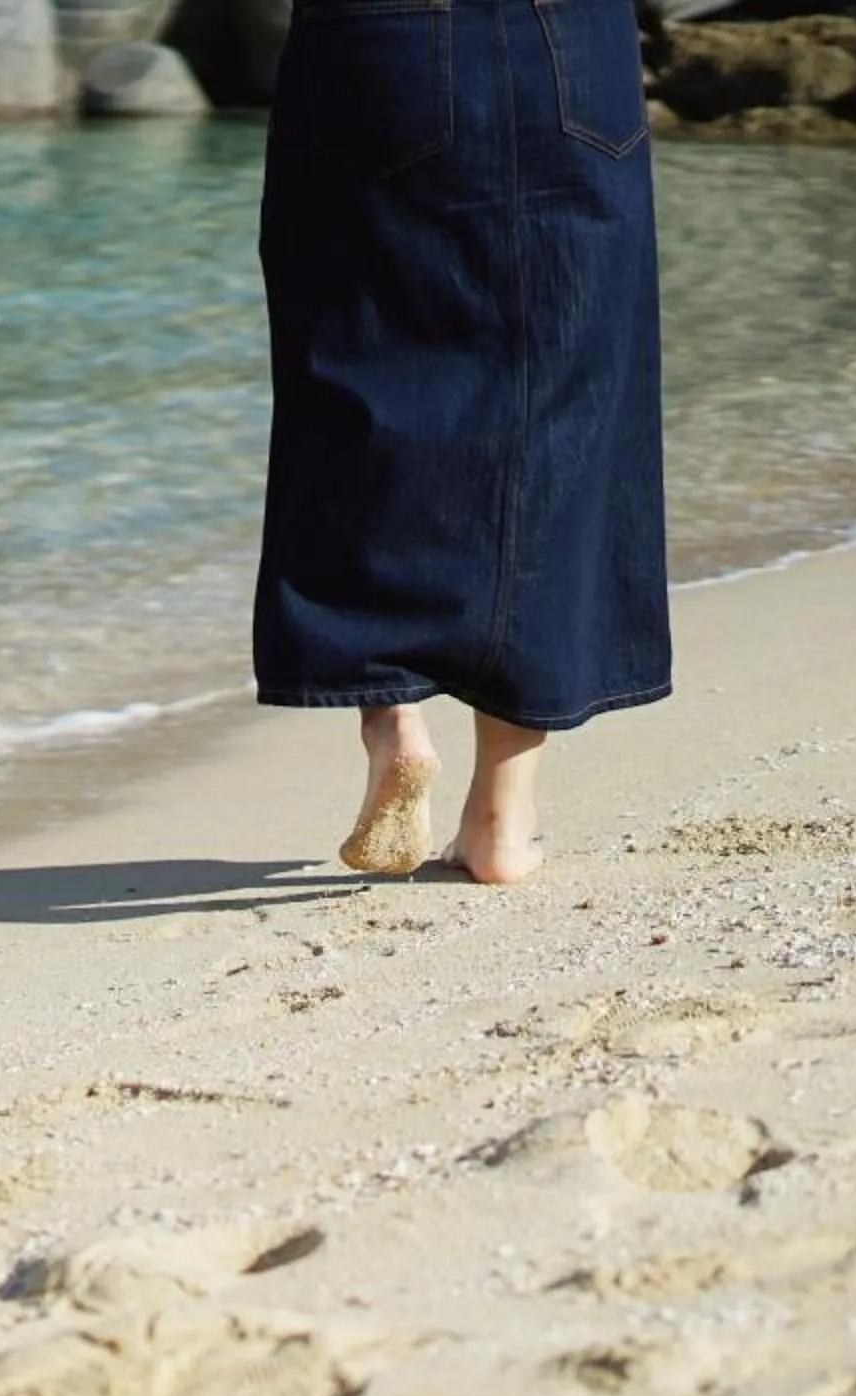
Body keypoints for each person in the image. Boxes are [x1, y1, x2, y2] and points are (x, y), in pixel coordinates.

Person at [254, 0, 673, 887]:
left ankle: (393, 721)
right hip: (573, 44)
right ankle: (503, 820)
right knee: (565, 389)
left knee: (360, 370)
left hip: (381, 40)